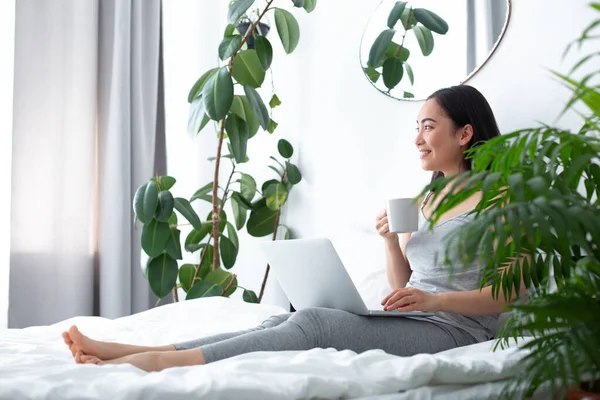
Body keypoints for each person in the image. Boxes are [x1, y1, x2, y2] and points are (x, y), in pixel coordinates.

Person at [62, 85, 507, 372]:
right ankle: (129, 351)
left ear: (464, 134)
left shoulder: (504, 199)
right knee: (285, 318)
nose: (417, 139)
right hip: (415, 316)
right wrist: (391, 243)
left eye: (427, 127)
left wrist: (435, 300)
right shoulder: (425, 199)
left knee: (314, 323)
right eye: (416, 127)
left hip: (459, 329)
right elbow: (405, 285)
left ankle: (161, 362)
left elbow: (512, 293)